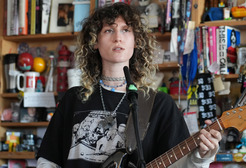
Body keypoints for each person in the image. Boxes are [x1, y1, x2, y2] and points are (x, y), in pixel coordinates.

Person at [36, 2, 221, 168]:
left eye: (126, 30)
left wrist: (201, 156)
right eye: (109, 30)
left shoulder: (159, 104)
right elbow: (47, 160)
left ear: (136, 41)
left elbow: (179, 165)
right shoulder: (73, 98)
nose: (118, 37)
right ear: (95, 42)